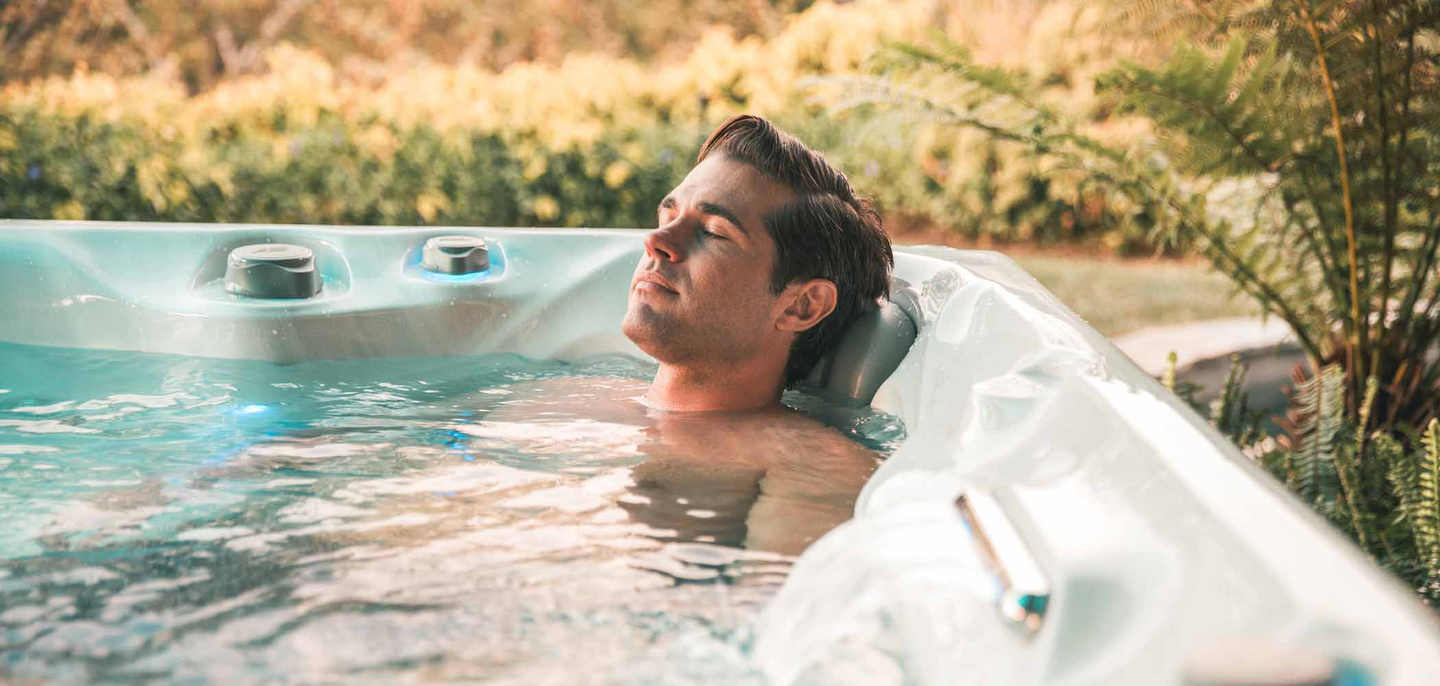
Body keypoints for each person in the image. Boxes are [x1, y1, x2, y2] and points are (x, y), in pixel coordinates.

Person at [622, 114, 894, 412]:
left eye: (712, 232)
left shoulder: (808, 459)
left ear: (801, 306)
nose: (656, 241)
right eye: (669, 217)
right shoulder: (579, 399)